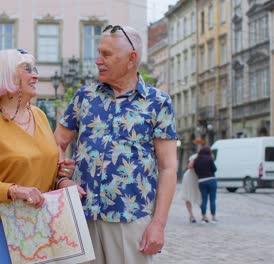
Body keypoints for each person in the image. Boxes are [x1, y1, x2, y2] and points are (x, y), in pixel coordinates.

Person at [54, 25, 178, 264]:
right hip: (82, 217)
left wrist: (158, 225)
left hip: (129, 221)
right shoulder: (85, 96)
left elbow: (168, 167)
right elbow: (56, 143)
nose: (98, 60)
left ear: (132, 58)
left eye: (107, 54)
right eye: (98, 52)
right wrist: (62, 178)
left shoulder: (158, 102)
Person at [0, 49, 75, 264]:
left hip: (37, 225)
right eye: (28, 70)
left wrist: (62, 177)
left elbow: (40, 167)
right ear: (7, 76)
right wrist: (13, 190)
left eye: (36, 69)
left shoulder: (39, 116)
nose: (36, 75)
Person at [193, 146, 218, 224]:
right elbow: (214, 169)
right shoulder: (209, 159)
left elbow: (195, 170)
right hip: (211, 180)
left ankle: (203, 217)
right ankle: (213, 218)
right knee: (212, 199)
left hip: (201, 181)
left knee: (204, 199)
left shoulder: (196, 160)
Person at [179, 153, 201, 223]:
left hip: (196, 178)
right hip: (189, 178)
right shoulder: (195, 156)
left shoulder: (206, 156)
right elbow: (190, 166)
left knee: (199, 196)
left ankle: (203, 215)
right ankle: (191, 215)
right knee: (187, 195)